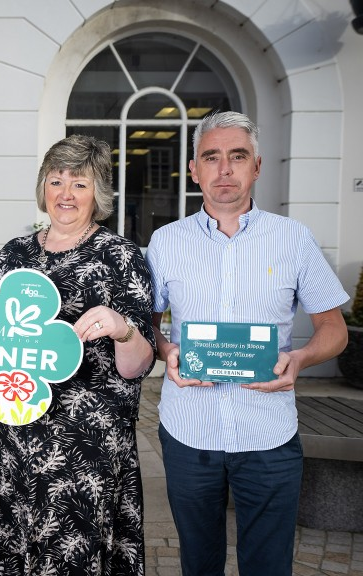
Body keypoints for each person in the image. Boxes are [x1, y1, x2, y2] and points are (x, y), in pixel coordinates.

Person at [145, 111, 350, 576]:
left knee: (269, 565)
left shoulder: (293, 240)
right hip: (188, 430)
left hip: (269, 433)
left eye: (237, 157)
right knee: (199, 563)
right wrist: (166, 351)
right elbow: (148, 325)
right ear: (193, 169)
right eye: (211, 157)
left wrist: (299, 358)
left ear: (256, 167)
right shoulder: (166, 242)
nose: (225, 169)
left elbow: (334, 329)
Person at [0, 134, 156, 575]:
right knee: (23, 546)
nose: (66, 194)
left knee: (75, 558)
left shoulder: (119, 256)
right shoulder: (13, 255)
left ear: (97, 194)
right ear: (43, 187)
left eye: (79, 184)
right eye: (56, 181)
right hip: (21, 436)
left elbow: (139, 364)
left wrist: (123, 329)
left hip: (89, 448)